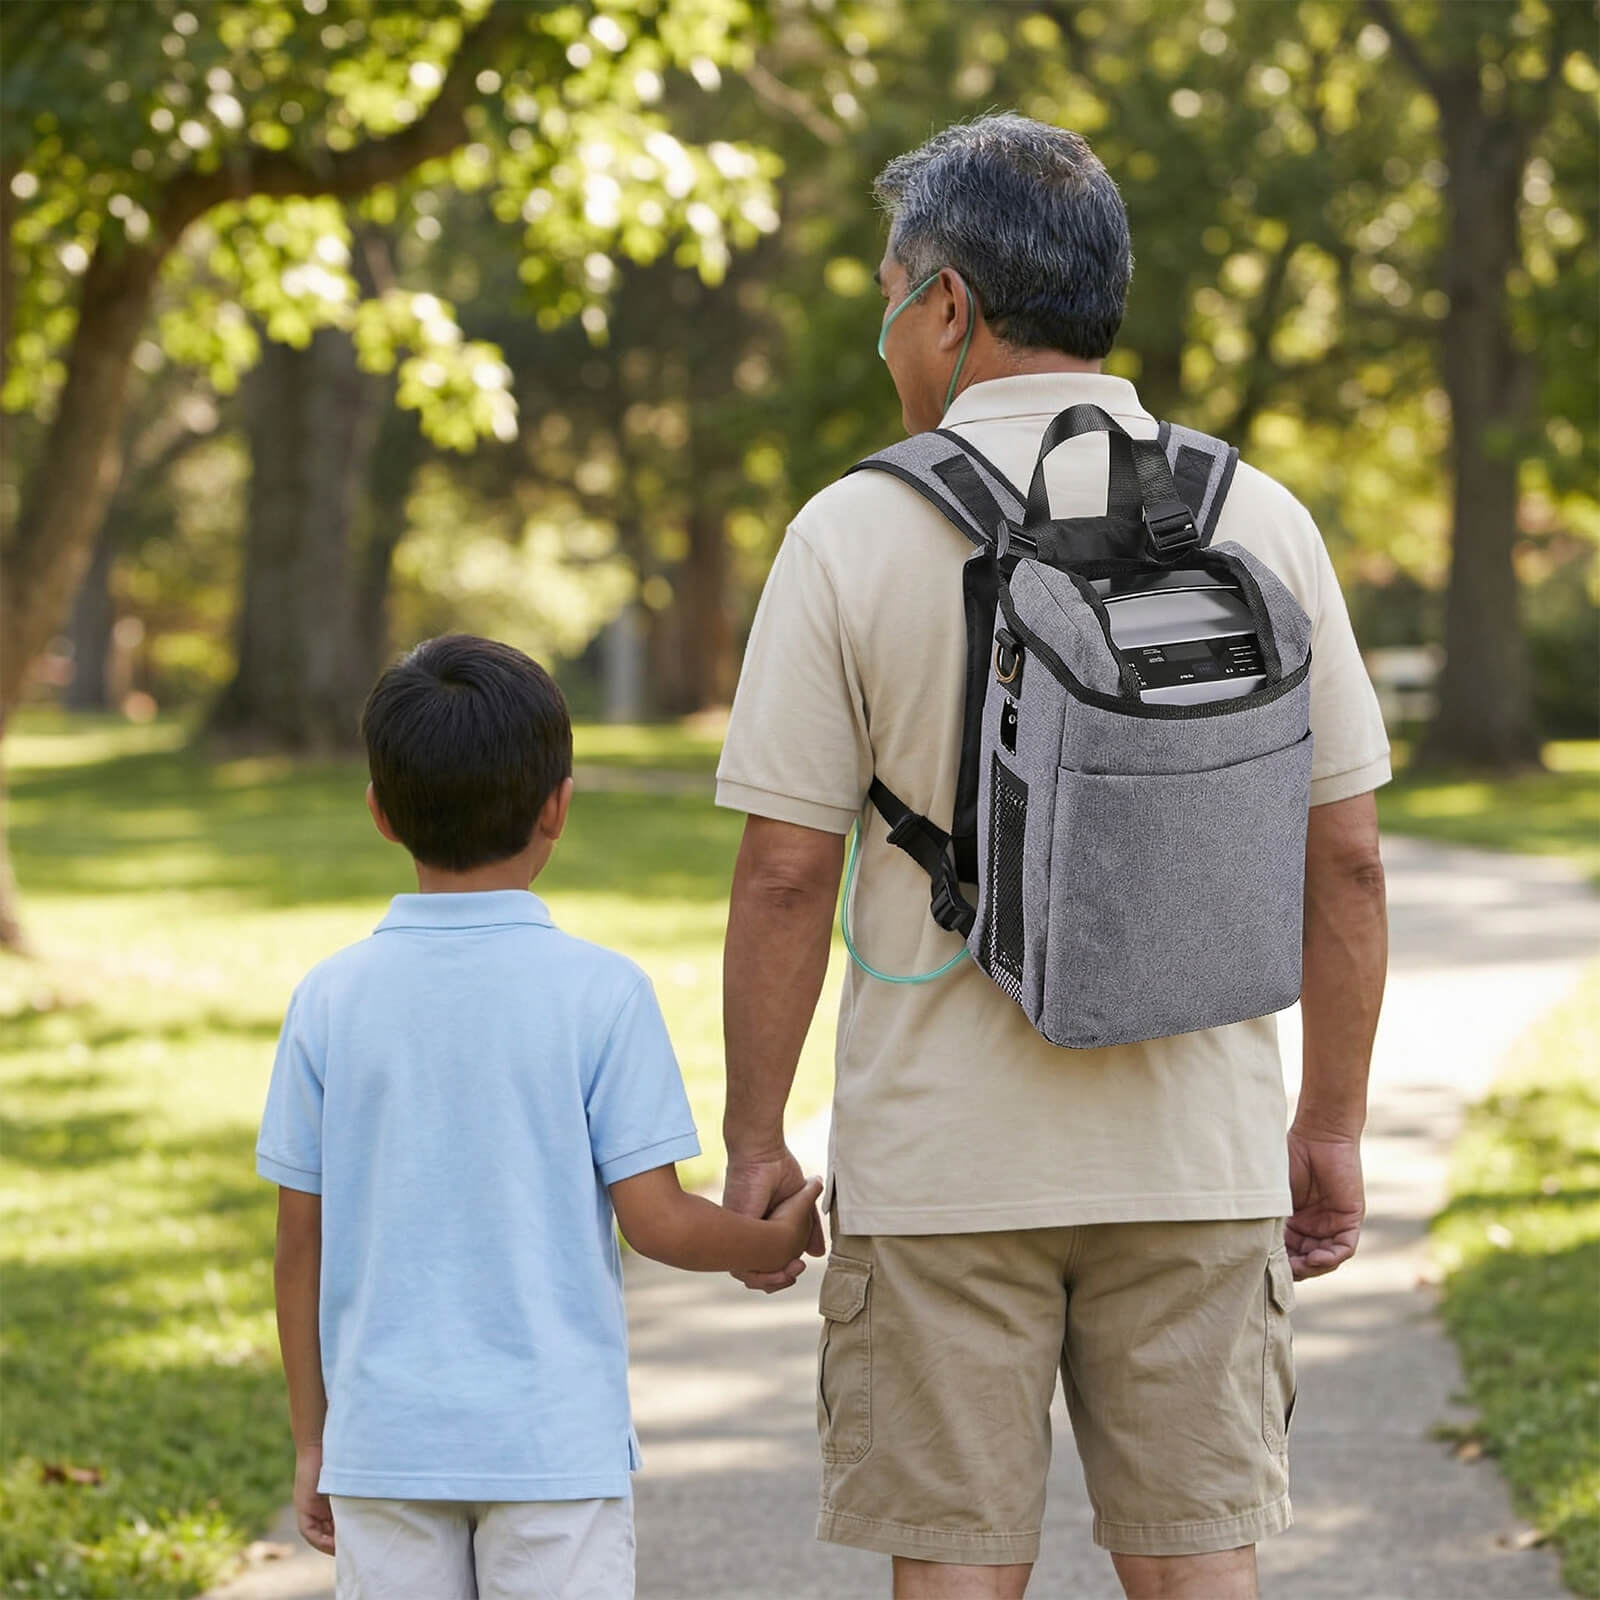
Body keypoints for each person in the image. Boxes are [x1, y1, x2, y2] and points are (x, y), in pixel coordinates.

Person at [716, 115, 1390, 1600]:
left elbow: (782, 874)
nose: (884, 330)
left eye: (888, 294)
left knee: (957, 1574)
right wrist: (1328, 1123)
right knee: (1203, 1566)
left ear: (947, 304)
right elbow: (1344, 863)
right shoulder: (1257, 517)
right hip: (1195, 1156)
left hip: (943, 1166)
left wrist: (759, 1140)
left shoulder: (850, 532)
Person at [256, 634, 821, 1600]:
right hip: (552, 1450)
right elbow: (655, 1221)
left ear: (381, 814)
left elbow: (298, 1248)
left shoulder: (329, 998)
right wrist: (762, 1239)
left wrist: (316, 1442)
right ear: (559, 805)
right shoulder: (601, 993)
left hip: (385, 1449)